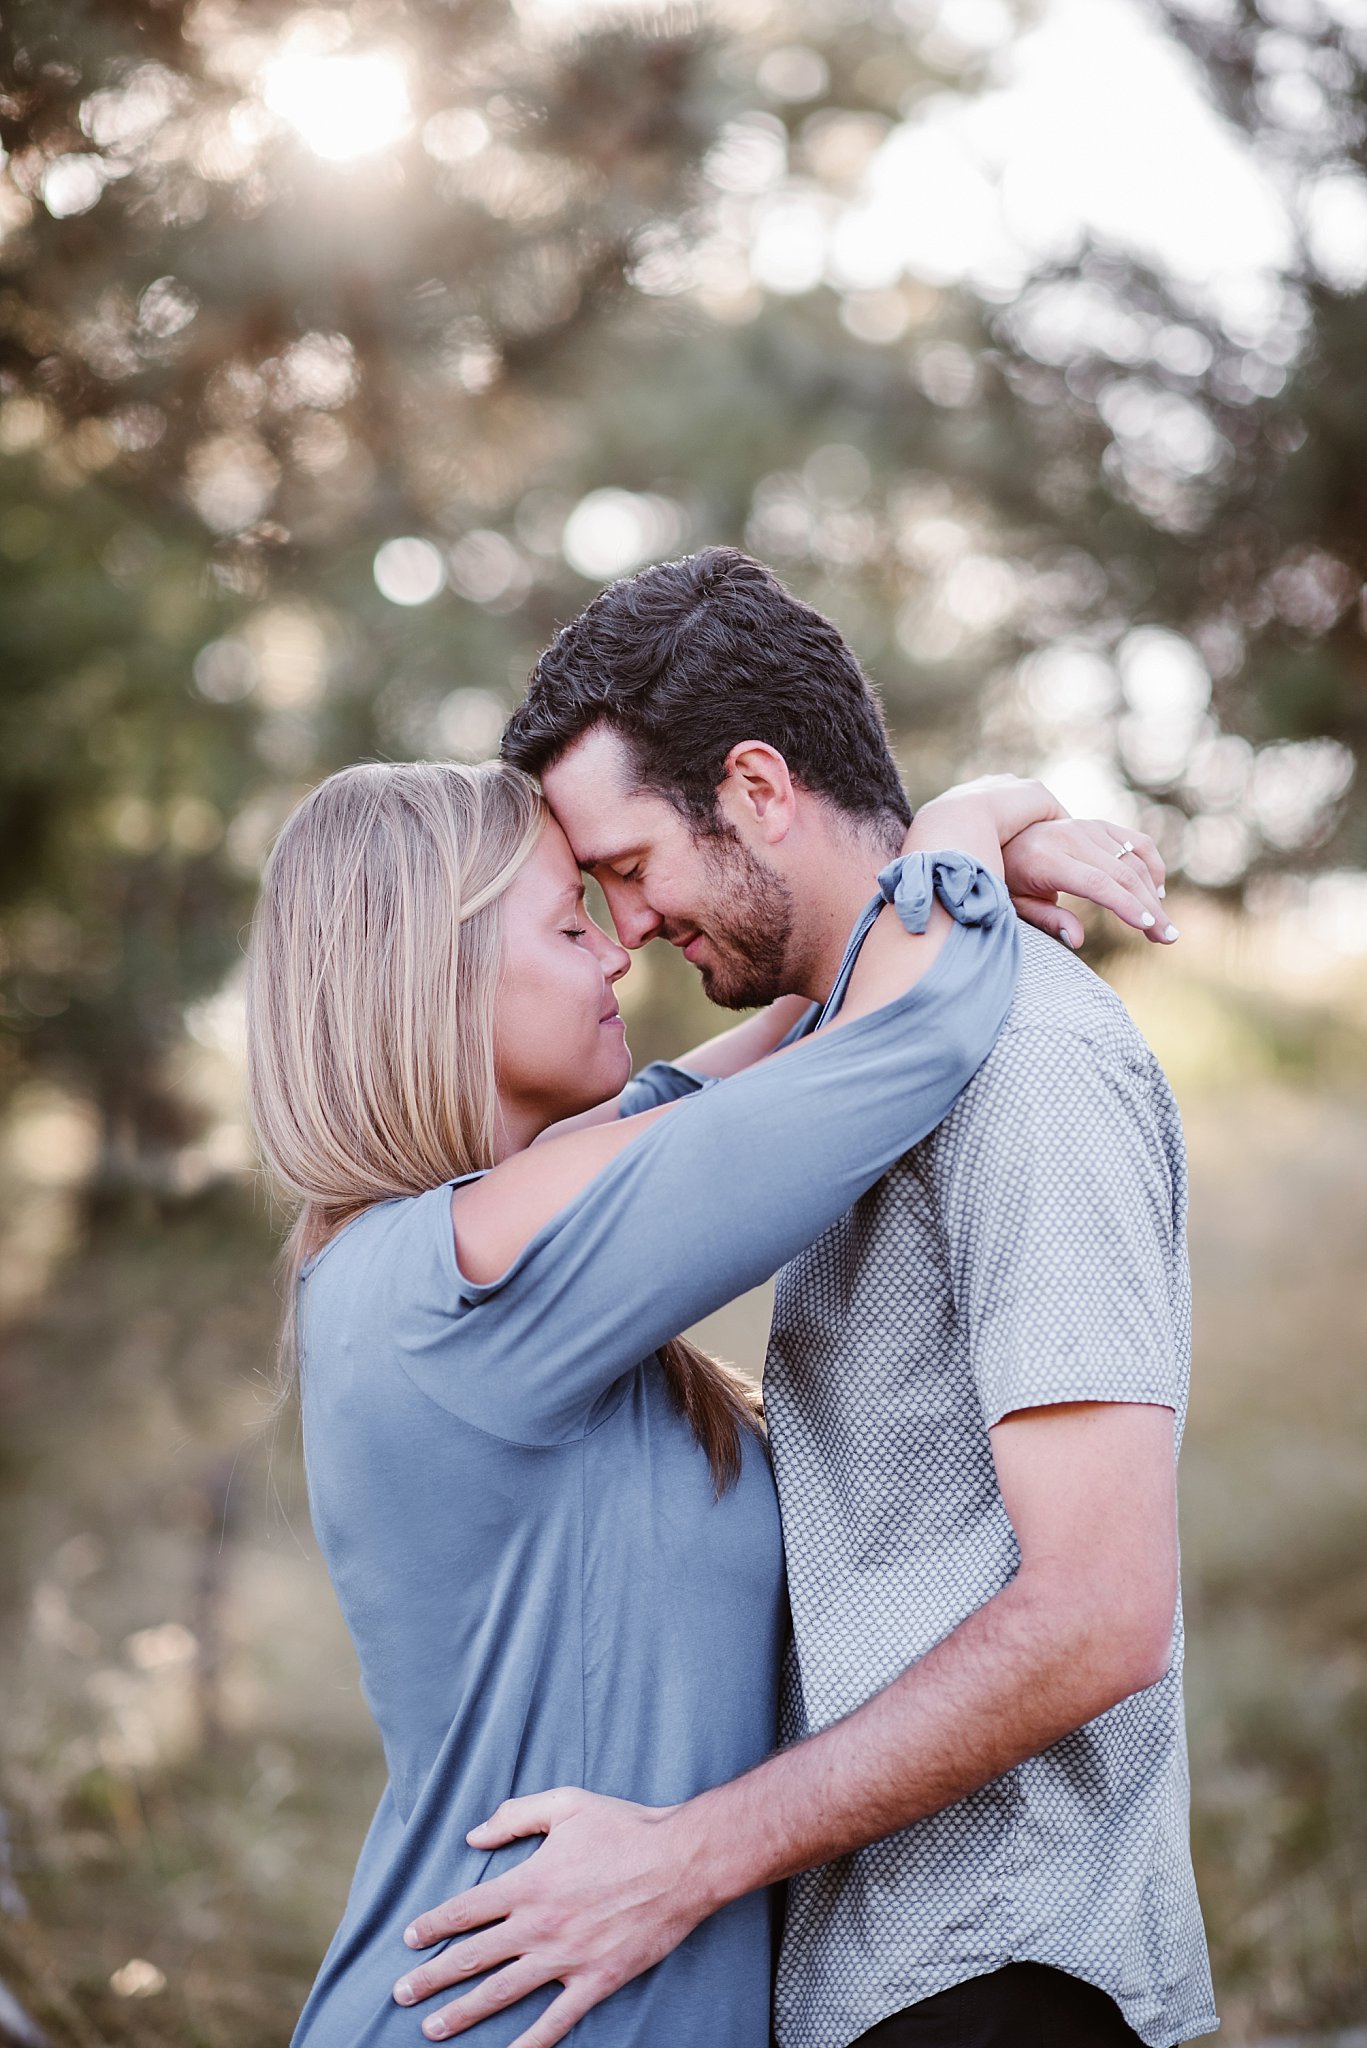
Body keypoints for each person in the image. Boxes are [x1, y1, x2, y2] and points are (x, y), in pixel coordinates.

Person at [398, 550, 1218, 2048]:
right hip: (861, 1969)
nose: (628, 929)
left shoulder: (1027, 1065)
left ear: (760, 789)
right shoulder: (837, 1069)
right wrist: (980, 820)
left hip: (998, 1972)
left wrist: (685, 1859)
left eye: (632, 868)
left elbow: (1103, 1612)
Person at [245, 753, 1146, 2047]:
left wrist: (948, 866)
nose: (619, 956)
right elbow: (903, 1038)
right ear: (430, 985)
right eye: (569, 924)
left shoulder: (468, 1243)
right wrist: (975, 814)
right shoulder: (463, 1271)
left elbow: (816, 1010)